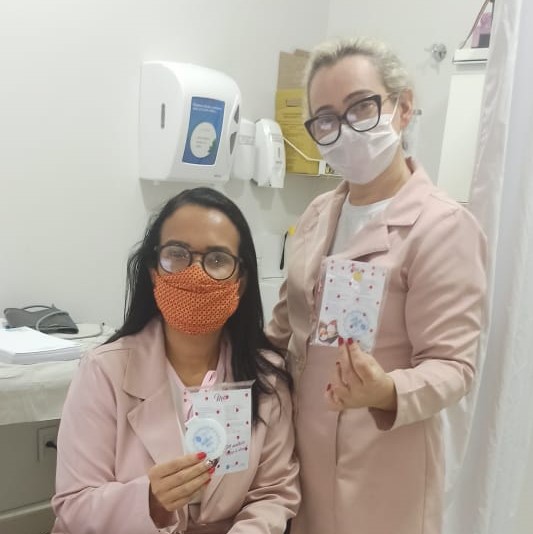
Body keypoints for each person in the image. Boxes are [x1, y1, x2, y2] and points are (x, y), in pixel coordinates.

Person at [267, 37, 487, 534]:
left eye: (361, 107)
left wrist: (387, 389)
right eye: (326, 119)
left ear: (402, 108)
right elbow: (283, 329)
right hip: (300, 458)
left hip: (382, 467)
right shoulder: (318, 213)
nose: (344, 129)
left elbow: (454, 366)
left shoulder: (442, 227)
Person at [51, 187, 300, 534]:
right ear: (154, 270)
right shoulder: (104, 371)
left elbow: (273, 494)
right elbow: (74, 506)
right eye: (177, 254)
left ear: (240, 282)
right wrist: (149, 501)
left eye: (217, 259)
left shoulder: (266, 377)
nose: (195, 275)